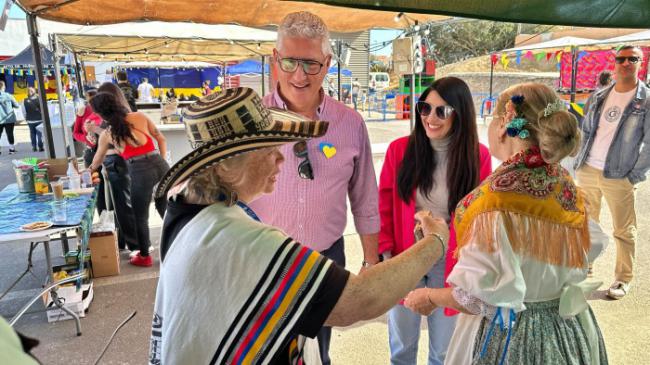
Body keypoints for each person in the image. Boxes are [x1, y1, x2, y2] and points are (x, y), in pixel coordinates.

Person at [149, 87, 450, 365]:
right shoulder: (240, 240)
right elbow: (359, 300)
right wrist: (435, 241)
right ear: (227, 164)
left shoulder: (188, 210)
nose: (280, 159)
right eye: (267, 150)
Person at [404, 82, 608, 364]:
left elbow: (475, 297)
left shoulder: (495, 200)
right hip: (568, 331)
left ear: (504, 124)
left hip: (510, 337)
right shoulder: (567, 189)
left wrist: (429, 296)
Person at [248, 12, 380, 364]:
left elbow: (365, 197)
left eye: (310, 64)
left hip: (326, 258)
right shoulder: (250, 120)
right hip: (262, 257)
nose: (299, 75)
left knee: (318, 348)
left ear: (328, 64)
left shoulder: (349, 124)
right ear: (275, 60)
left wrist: (371, 262)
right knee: (262, 349)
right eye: (289, 61)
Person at [379, 77, 492, 365]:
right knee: (402, 345)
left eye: (442, 111)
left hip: (451, 259)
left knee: (444, 350)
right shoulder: (398, 150)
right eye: (424, 108)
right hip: (407, 255)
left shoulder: (478, 156)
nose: (430, 117)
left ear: (461, 114)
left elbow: (482, 214)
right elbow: (384, 205)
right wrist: (386, 252)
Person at [574, 45, 650, 300]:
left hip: (619, 175)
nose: (626, 63)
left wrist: (634, 175)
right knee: (585, 225)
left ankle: (623, 278)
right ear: (615, 62)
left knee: (624, 230)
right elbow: (586, 131)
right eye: (621, 59)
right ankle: (585, 269)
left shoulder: (646, 100)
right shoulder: (599, 96)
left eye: (632, 59)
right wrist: (578, 162)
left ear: (641, 63)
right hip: (588, 169)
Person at [87, 91, 169, 267]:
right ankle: (179, 246)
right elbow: (160, 138)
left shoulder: (108, 134)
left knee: (140, 216)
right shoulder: (139, 116)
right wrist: (160, 159)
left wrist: (89, 170)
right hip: (161, 164)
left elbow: (98, 160)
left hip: (139, 171)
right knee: (166, 209)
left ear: (100, 114)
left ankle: (145, 256)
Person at [95, 82, 140, 253]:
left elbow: (125, 143)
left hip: (119, 163)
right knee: (117, 206)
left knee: (123, 206)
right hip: (113, 164)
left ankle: (135, 245)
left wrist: (100, 134)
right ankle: (122, 242)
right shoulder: (116, 115)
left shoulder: (123, 116)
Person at [72, 87, 107, 215]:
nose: (91, 100)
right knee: (96, 188)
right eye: (89, 97)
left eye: (94, 97)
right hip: (91, 153)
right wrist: (86, 139)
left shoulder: (106, 110)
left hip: (108, 153)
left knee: (111, 190)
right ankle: (102, 218)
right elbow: (75, 134)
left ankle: (114, 223)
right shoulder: (83, 111)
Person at [0, 81, 19, 155]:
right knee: (10, 133)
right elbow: (17, 105)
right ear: (3, 87)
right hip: (9, 119)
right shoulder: (8, 95)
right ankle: (11, 149)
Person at [23, 87, 44, 152]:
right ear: (35, 92)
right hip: (39, 119)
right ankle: (40, 147)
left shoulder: (24, 101)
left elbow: (24, 112)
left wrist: (26, 118)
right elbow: (43, 110)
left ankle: (34, 147)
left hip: (30, 120)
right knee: (39, 134)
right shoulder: (39, 100)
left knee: (32, 134)